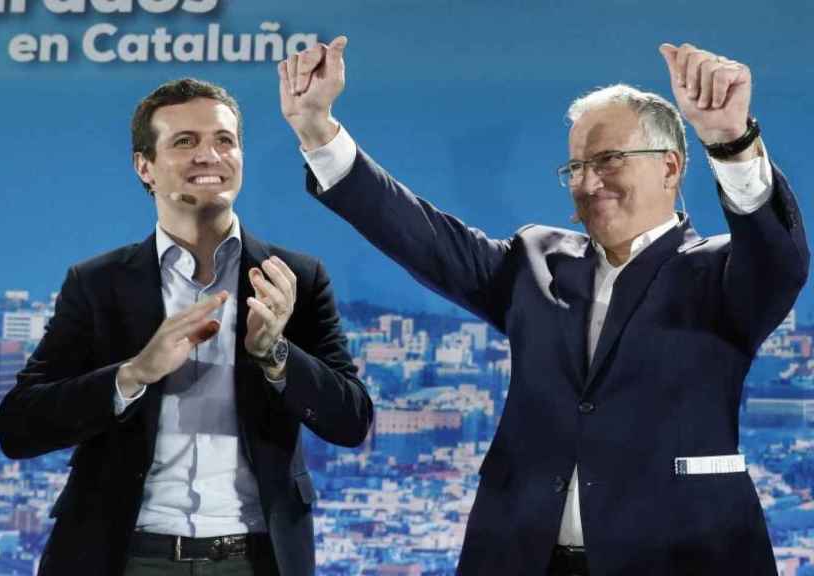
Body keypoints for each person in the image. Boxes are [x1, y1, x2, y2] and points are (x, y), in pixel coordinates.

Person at [277, 37, 808, 575]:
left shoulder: (720, 274)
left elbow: (777, 257)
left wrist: (730, 142)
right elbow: (421, 236)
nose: (587, 182)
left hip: (678, 560)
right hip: (520, 557)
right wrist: (318, 132)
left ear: (670, 167)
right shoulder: (536, 260)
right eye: (575, 167)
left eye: (608, 160)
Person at [0, 77, 373, 576]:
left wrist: (275, 354)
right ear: (144, 167)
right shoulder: (97, 284)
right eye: (184, 142)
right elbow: (19, 427)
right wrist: (133, 374)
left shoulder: (295, 278)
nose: (209, 156)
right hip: (122, 555)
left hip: (256, 558)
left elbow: (351, 421)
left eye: (224, 140)